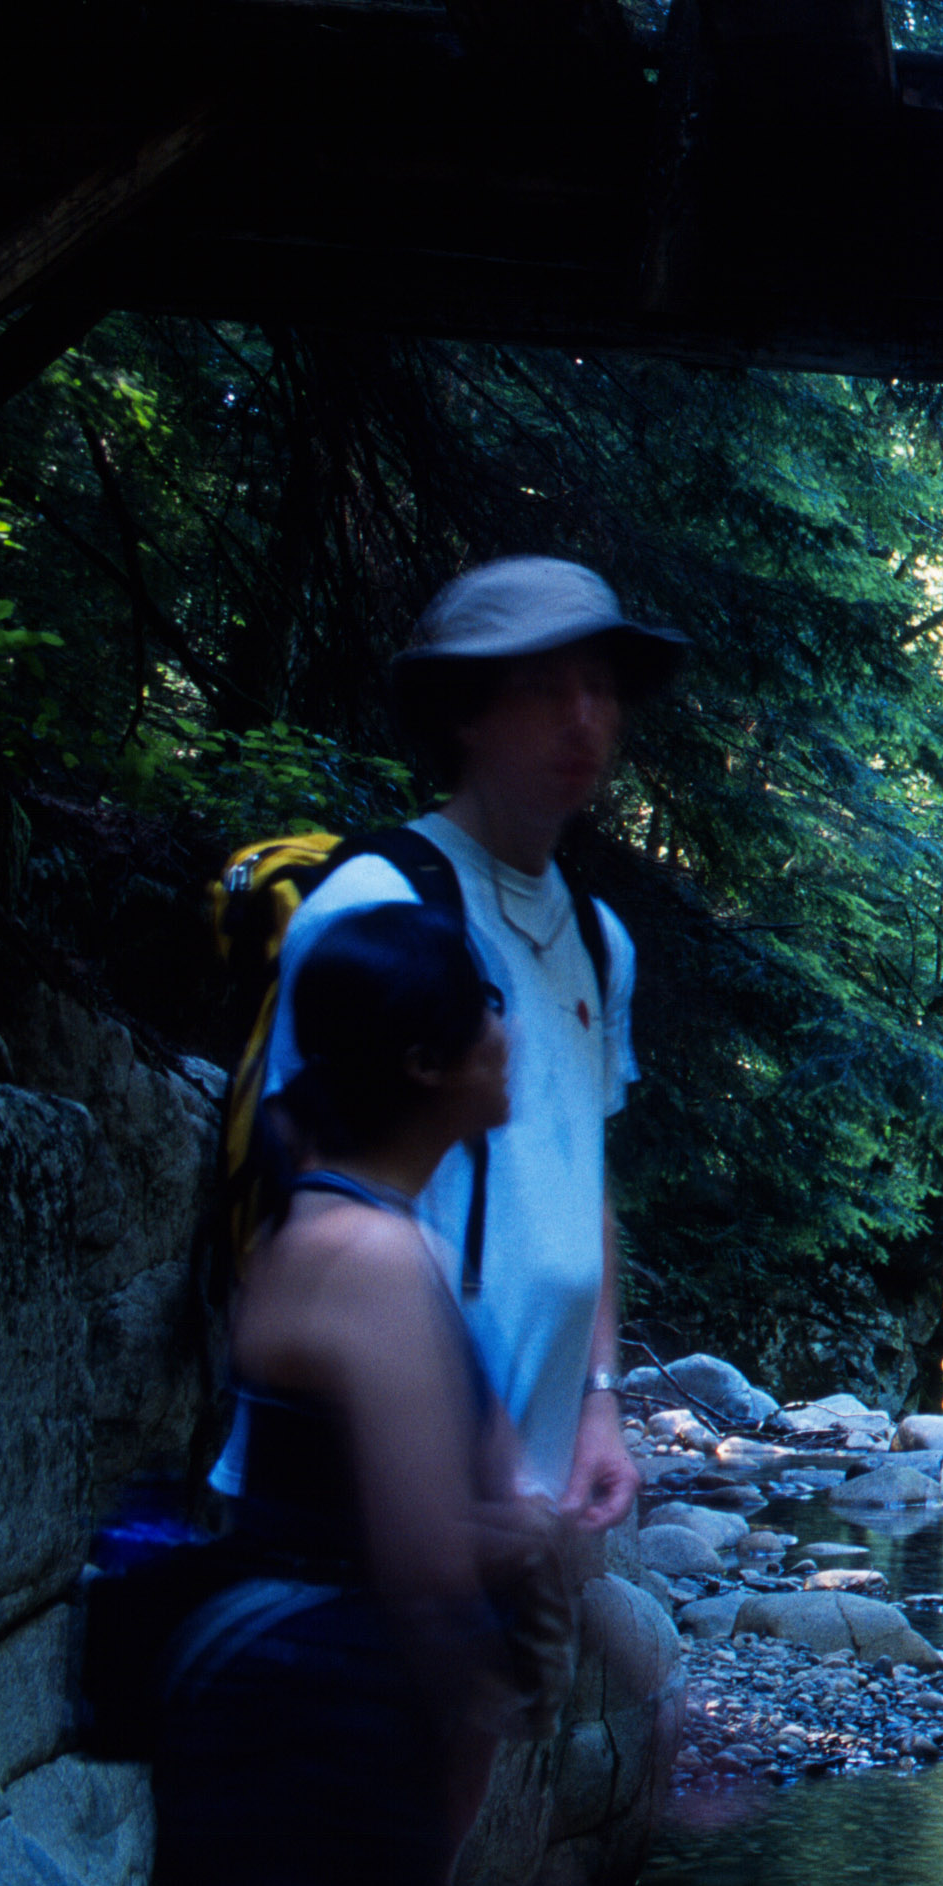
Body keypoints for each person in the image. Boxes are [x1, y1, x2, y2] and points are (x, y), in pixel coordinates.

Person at [157, 900, 561, 1886]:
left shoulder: (335, 1227)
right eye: (488, 1005)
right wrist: (531, 1539)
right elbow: (425, 1560)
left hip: (282, 1708)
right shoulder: (373, 1255)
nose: (509, 1031)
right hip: (325, 1730)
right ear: (426, 1059)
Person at [261, 558, 684, 1530]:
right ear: (463, 712)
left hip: (522, 1488)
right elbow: (308, 1188)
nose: (583, 716)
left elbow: (583, 1182)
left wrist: (599, 1403)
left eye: (600, 686)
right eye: (543, 686)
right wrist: (461, 1459)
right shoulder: (377, 907)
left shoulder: (599, 940)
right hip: (361, 1494)